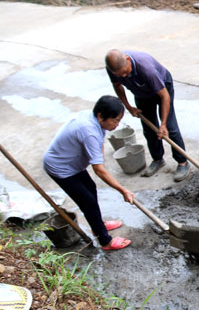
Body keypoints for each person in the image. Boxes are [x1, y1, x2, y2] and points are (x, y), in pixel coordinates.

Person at [43, 96, 135, 251]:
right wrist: (123, 190)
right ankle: (105, 241)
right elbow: (98, 170)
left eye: (119, 120)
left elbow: (99, 145)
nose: (117, 124)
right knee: (88, 201)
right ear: (101, 115)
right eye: (115, 120)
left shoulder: (96, 120)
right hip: (60, 167)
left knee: (90, 189)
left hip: (72, 163)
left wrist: (99, 159)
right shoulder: (89, 131)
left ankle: (97, 226)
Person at [105, 49, 190, 182]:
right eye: (120, 75)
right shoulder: (113, 68)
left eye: (126, 72)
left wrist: (162, 125)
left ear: (128, 60)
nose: (124, 76)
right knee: (149, 129)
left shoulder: (146, 68)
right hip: (141, 93)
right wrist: (129, 107)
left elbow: (164, 96)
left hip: (161, 88)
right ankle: (158, 159)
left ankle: (182, 162)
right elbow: (118, 86)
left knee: (169, 127)